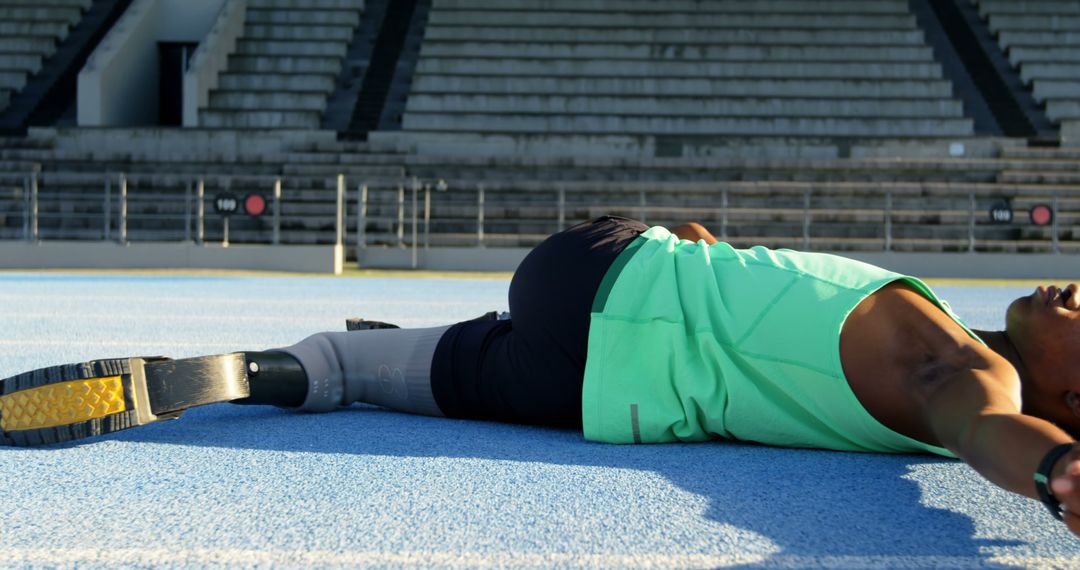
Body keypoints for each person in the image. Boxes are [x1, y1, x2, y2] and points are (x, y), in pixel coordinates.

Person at [2, 216, 1080, 537]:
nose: (1075, 292)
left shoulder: (960, 370)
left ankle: (286, 363)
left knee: (370, 358)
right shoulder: (934, 384)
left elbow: (991, 429)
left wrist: (1057, 476)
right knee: (360, 374)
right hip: (601, 398)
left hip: (598, 274)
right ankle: (275, 373)